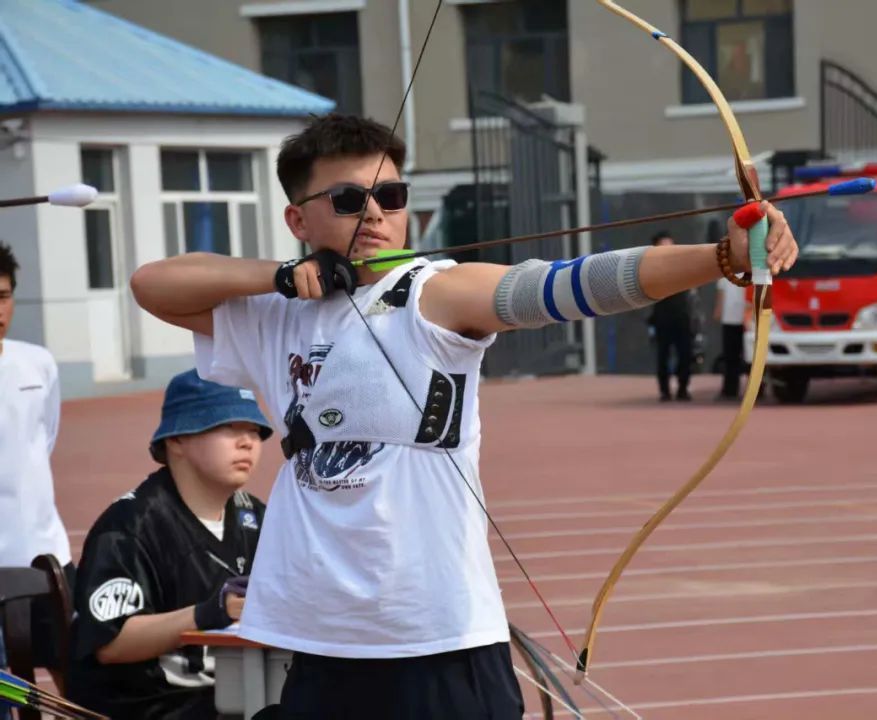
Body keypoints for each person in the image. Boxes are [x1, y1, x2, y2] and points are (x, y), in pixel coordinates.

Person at [127, 112, 798, 719]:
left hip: (438, 638)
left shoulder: (436, 293)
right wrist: (279, 277)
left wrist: (720, 258)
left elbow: (564, 285)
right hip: (322, 639)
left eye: (391, 196)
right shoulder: (277, 315)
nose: (375, 214)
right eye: (348, 200)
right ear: (298, 220)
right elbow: (152, 284)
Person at [67, 369, 272, 720]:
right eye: (229, 426)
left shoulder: (254, 515)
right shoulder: (129, 526)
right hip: (152, 706)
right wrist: (208, 613)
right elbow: (110, 643)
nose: (247, 442)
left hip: (238, 697)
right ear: (176, 439)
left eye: (254, 430)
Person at [0, 241, 73, 680]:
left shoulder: (38, 364)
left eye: (4, 296)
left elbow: (44, 438)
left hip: (44, 558)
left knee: (72, 678)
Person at [646, 231, 697, 402]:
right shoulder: (650, 268)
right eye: (664, 246)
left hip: (682, 317)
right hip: (662, 318)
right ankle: (664, 390)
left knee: (685, 354)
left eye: (671, 246)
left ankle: (683, 388)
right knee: (663, 355)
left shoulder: (682, 265)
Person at [714, 275, 747, 401]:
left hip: (744, 318)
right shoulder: (726, 271)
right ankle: (731, 389)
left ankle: (734, 389)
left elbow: (721, 292)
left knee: (735, 357)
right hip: (732, 318)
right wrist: (718, 310)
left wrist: (718, 311)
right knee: (731, 357)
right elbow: (721, 291)